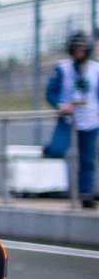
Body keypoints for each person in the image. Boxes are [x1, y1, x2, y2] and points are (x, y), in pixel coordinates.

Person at [46, 32, 98, 209]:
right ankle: (46, 150)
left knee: (87, 160)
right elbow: (50, 93)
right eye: (75, 48)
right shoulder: (62, 68)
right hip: (68, 120)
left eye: (81, 48)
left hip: (89, 121)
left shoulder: (95, 70)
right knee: (56, 149)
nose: (78, 52)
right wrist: (60, 105)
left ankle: (85, 195)